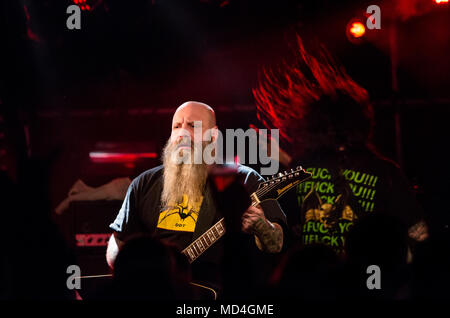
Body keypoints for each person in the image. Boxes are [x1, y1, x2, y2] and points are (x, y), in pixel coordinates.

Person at [253, 36, 428, 256]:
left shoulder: (300, 168)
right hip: (368, 282)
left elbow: (277, 240)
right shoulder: (385, 171)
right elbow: (418, 234)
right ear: (362, 122)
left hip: (316, 284)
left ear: (312, 125)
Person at [106, 101, 287, 293]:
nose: (182, 133)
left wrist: (261, 226)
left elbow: (277, 244)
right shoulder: (144, 183)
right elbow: (118, 242)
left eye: (193, 126)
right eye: (177, 126)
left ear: (214, 135)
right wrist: (131, 281)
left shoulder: (243, 179)